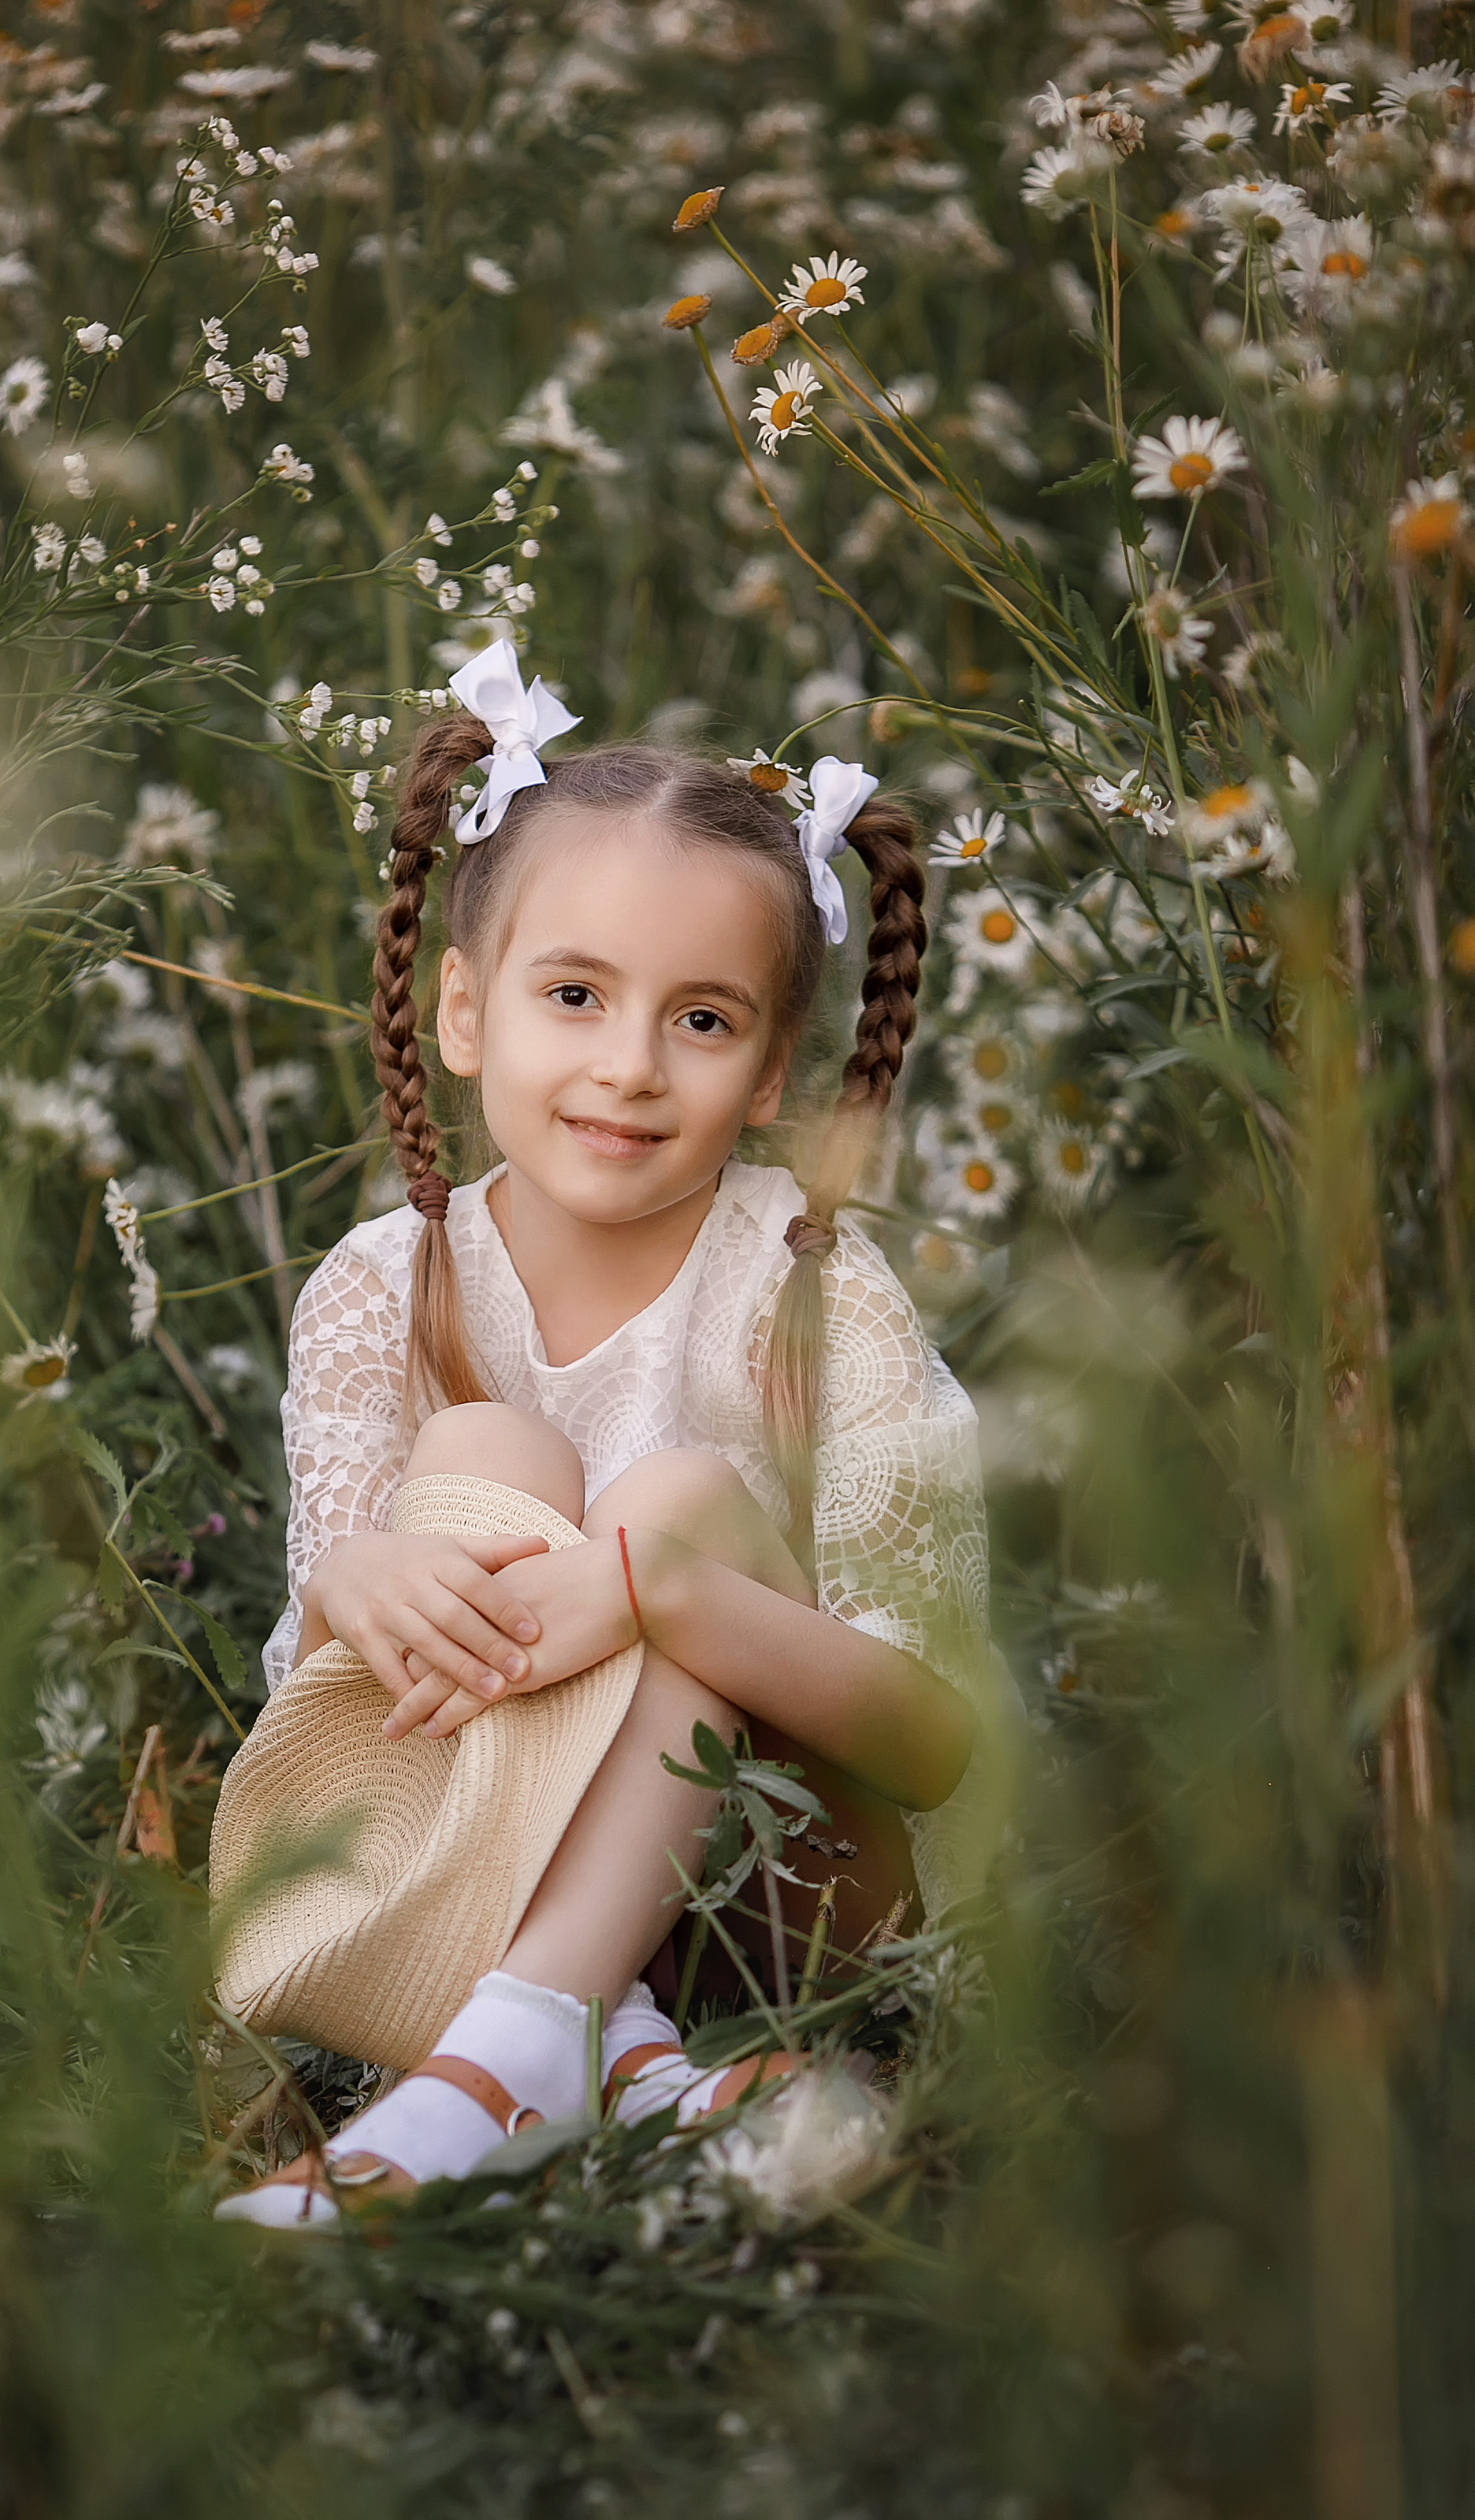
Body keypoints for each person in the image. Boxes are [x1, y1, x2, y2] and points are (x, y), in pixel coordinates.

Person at [210, 642, 994, 2231]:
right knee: (486, 1457)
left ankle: (512, 2058)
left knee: (679, 1491)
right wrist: (354, 1582)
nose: (628, 1067)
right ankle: (615, 2059)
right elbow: (333, 1710)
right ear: (462, 1012)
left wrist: (657, 1587)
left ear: (770, 1073)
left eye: (699, 1020)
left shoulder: (807, 1293)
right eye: (573, 995)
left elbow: (930, 1741)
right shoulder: (383, 1286)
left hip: (774, 1897)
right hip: (448, 1866)